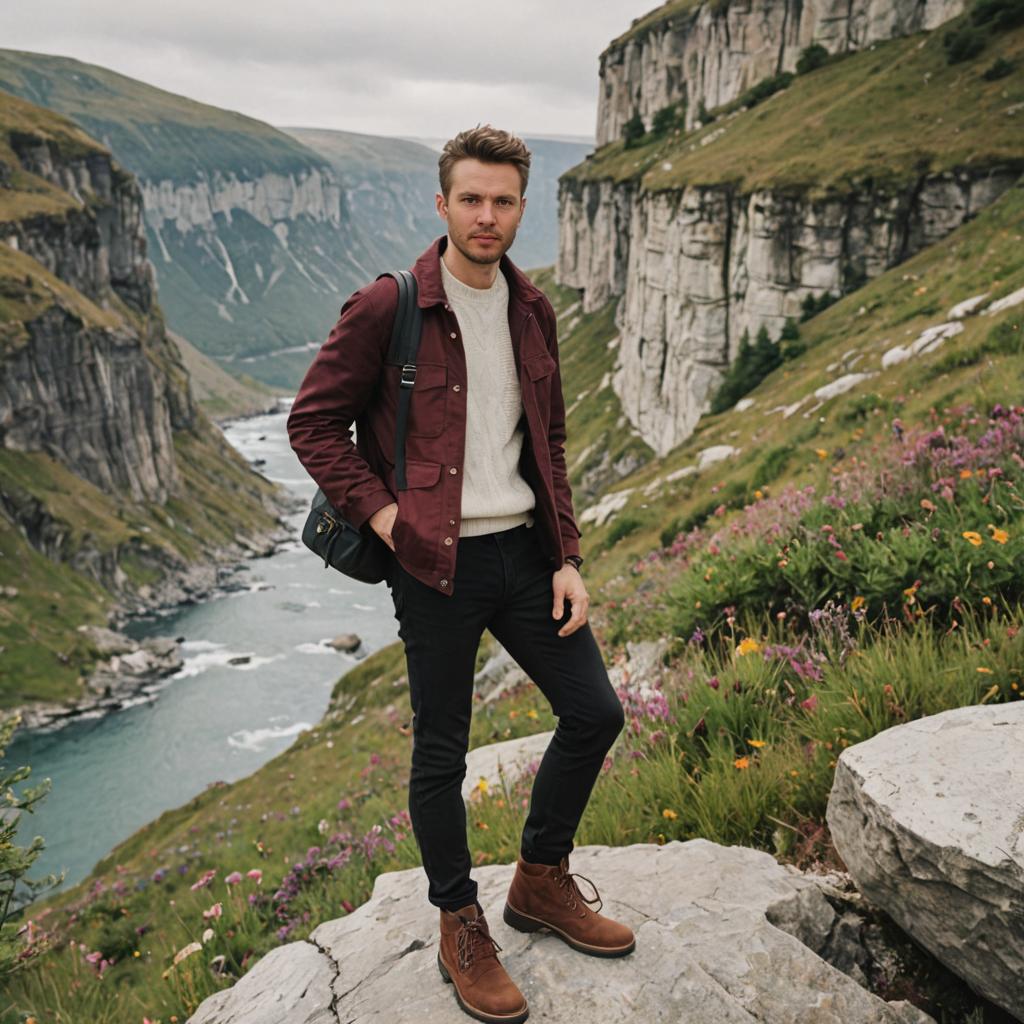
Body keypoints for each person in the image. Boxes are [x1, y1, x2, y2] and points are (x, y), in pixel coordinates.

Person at [287, 124, 632, 1024]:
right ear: (441, 204)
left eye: (503, 200)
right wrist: (389, 516)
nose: (487, 216)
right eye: (470, 199)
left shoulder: (534, 309)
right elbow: (312, 425)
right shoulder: (388, 305)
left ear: (524, 206)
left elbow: (546, 444)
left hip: (523, 552)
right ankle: (458, 922)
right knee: (441, 749)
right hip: (430, 562)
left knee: (595, 712)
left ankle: (541, 883)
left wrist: (566, 556)